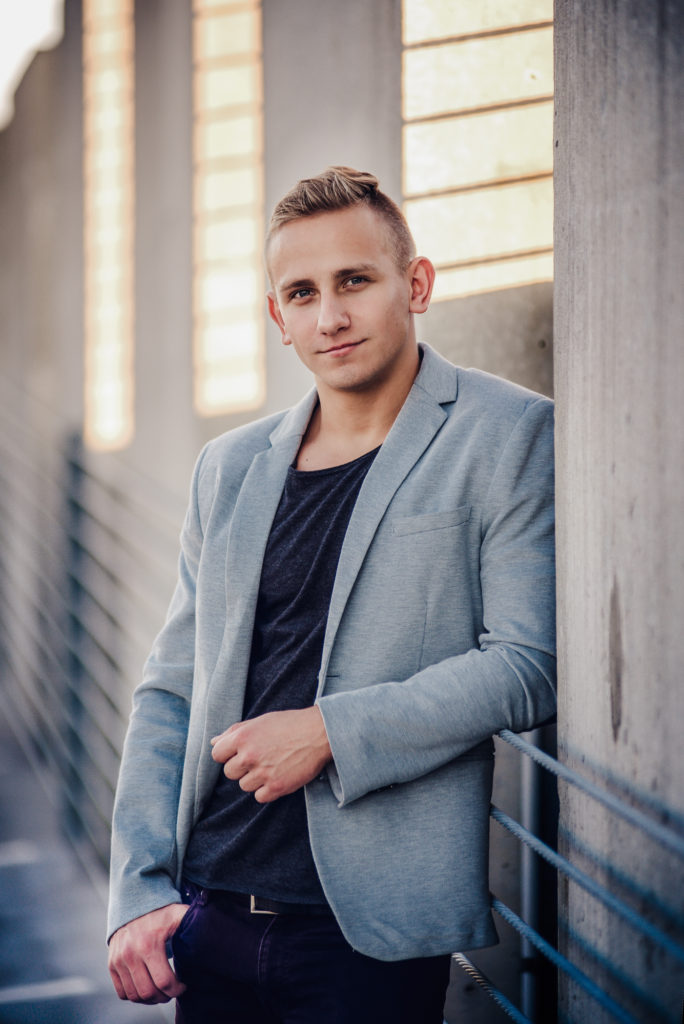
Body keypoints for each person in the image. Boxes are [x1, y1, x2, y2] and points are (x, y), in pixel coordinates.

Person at [107, 166, 556, 1023]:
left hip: (367, 937)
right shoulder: (228, 468)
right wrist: (139, 887)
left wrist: (328, 734)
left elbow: (529, 664)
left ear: (415, 284)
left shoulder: (507, 434)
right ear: (278, 317)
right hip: (209, 913)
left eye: (355, 281)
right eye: (302, 293)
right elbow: (170, 689)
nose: (331, 316)